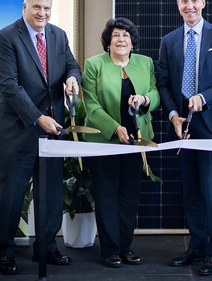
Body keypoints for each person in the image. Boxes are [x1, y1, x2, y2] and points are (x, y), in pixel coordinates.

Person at [0, 0, 82, 275]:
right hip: (19, 130)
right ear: (24, 7)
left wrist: (71, 78)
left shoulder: (58, 35)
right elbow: (9, 86)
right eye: (37, 7)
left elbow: (72, 65)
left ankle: (46, 247)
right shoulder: (6, 37)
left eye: (47, 8)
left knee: (51, 196)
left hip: (52, 131)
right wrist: (37, 117)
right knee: (13, 196)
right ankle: (6, 252)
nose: (42, 13)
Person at [156, 0, 212, 276]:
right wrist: (175, 115)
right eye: (182, 1)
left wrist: (204, 98)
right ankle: (197, 246)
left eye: (193, 0)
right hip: (183, 129)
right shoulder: (169, 40)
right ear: (177, 6)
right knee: (190, 191)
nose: (188, 6)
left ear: (203, 2)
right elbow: (163, 83)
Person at [81, 17, 160, 268]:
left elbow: (156, 93)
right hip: (103, 140)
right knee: (107, 196)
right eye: (116, 35)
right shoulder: (94, 65)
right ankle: (110, 251)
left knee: (129, 197)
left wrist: (146, 99)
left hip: (137, 142)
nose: (121, 39)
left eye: (126, 35)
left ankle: (125, 247)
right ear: (108, 41)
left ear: (133, 42)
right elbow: (90, 105)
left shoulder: (145, 63)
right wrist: (115, 129)